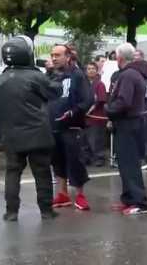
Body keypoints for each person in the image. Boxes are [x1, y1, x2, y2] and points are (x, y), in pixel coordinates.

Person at [0, 36, 60, 221]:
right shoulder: (36, 76)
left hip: (11, 134)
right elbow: (55, 91)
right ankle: (46, 210)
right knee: (42, 172)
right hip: (37, 132)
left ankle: (11, 211)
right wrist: (53, 72)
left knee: (12, 172)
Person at [106, 43, 147, 215]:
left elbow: (124, 101)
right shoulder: (135, 74)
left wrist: (108, 110)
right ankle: (129, 199)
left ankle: (140, 203)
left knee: (130, 165)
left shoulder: (127, 75)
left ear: (119, 58)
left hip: (128, 123)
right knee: (125, 164)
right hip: (132, 122)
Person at [48, 44, 93, 211]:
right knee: (57, 160)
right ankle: (62, 194)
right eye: (52, 55)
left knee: (75, 161)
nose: (54, 58)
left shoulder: (78, 75)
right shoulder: (53, 76)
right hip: (54, 126)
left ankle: (80, 195)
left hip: (71, 127)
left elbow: (88, 100)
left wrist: (72, 112)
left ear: (68, 57)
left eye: (58, 55)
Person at [85, 62, 108, 167]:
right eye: (89, 69)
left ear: (97, 70)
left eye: (93, 68)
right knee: (86, 139)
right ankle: (88, 157)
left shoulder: (100, 84)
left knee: (97, 139)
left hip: (97, 116)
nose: (91, 70)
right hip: (85, 118)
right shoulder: (84, 84)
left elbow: (100, 100)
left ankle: (99, 158)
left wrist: (88, 111)